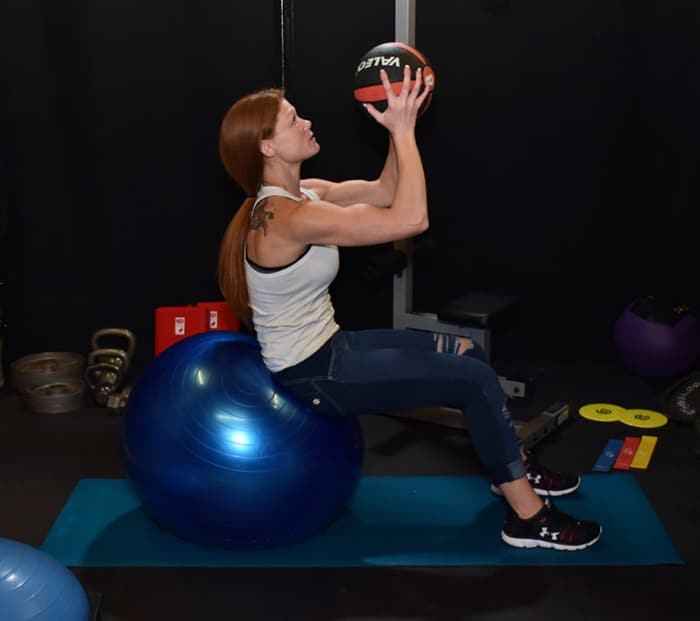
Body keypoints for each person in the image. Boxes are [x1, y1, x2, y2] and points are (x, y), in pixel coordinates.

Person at [217, 66, 602, 551]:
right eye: (293, 120)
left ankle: (512, 468)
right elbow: (411, 217)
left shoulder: (304, 194)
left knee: (467, 353)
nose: (306, 122)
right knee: (475, 380)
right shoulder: (289, 218)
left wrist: (404, 126)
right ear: (267, 148)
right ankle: (528, 517)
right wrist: (400, 132)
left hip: (332, 348)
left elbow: (383, 191)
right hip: (313, 374)